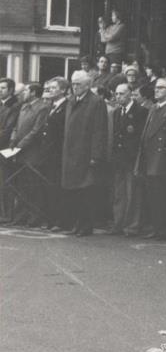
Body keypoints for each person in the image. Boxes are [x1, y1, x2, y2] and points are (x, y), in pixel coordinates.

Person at [61, 71, 109, 236]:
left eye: (78, 84)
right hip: (71, 152)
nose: (75, 87)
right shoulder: (71, 101)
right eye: (73, 84)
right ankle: (77, 223)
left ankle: (86, 225)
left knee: (85, 191)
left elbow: (99, 131)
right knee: (73, 190)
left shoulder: (96, 102)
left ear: (87, 85)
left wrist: (95, 155)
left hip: (85, 153)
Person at [135, 79, 166, 240]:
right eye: (156, 88)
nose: (157, 90)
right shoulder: (154, 107)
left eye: (161, 88)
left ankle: (164, 229)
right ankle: (157, 226)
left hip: (163, 159)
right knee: (153, 196)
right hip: (149, 156)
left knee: (163, 196)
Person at [109, 83, 148, 236]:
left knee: (133, 194)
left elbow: (140, 137)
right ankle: (118, 223)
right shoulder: (117, 112)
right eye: (117, 94)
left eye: (122, 94)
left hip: (132, 159)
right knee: (119, 194)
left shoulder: (141, 111)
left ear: (130, 94)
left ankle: (132, 225)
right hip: (119, 159)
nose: (118, 97)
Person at [9, 83, 49, 227]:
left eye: (26, 90)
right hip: (19, 152)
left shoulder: (42, 107)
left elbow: (36, 130)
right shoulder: (23, 106)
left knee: (33, 185)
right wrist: (13, 140)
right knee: (21, 185)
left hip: (32, 153)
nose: (23, 93)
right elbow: (16, 127)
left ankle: (34, 216)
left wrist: (21, 144)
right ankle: (20, 216)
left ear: (33, 92)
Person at [39, 77, 69, 230]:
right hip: (49, 153)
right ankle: (51, 219)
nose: (50, 90)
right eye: (49, 87)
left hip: (58, 153)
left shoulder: (66, 107)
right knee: (49, 186)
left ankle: (59, 221)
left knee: (57, 187)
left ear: (63, 90)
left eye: (54, 87)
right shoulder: (52, 106)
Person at [0, 78, 21, 223]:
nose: (0, 90)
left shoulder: (14, 106)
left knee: (6, 182)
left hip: (6, 149)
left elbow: (7, 130)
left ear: (11, 90)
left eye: (3, 88)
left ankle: (7, 215)